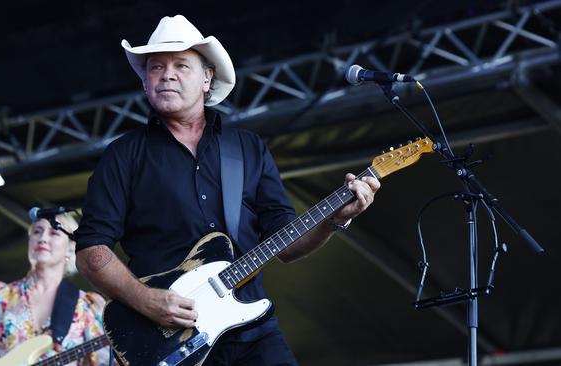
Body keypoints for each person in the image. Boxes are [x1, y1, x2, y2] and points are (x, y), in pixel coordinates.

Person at [74, 15, 380, 365]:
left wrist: (334, 220)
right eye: (155, 67)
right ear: (145, 83)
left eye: (181, 65)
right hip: (168, 340)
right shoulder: (123, 154)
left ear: (207, 78)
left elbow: (286, 242)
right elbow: (90, 250)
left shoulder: (247, 148)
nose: (167, 74)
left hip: (252, 330)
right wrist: (146, 300)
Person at [0, 212, 110, 366]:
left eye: (54, 232)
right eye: (37, 231)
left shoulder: (87, 307)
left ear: (71, 248)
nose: (43, 238)